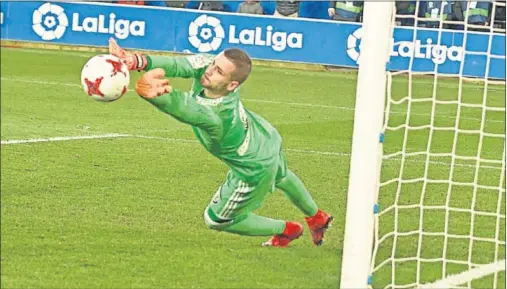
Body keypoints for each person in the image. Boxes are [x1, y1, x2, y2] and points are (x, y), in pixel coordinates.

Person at [108, 38, 333, 247]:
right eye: (213, 64)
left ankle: (286, 230)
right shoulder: (211, 66)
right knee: (282, 175)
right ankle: (316, 217)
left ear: (232, 85)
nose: (209, 71)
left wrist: (156, 97)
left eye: (218, 71)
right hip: (264, 136)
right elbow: (179, 65)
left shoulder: (218, 116)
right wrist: (136, 61)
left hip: (253, 165)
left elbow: (187, 109)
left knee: (217, 220)